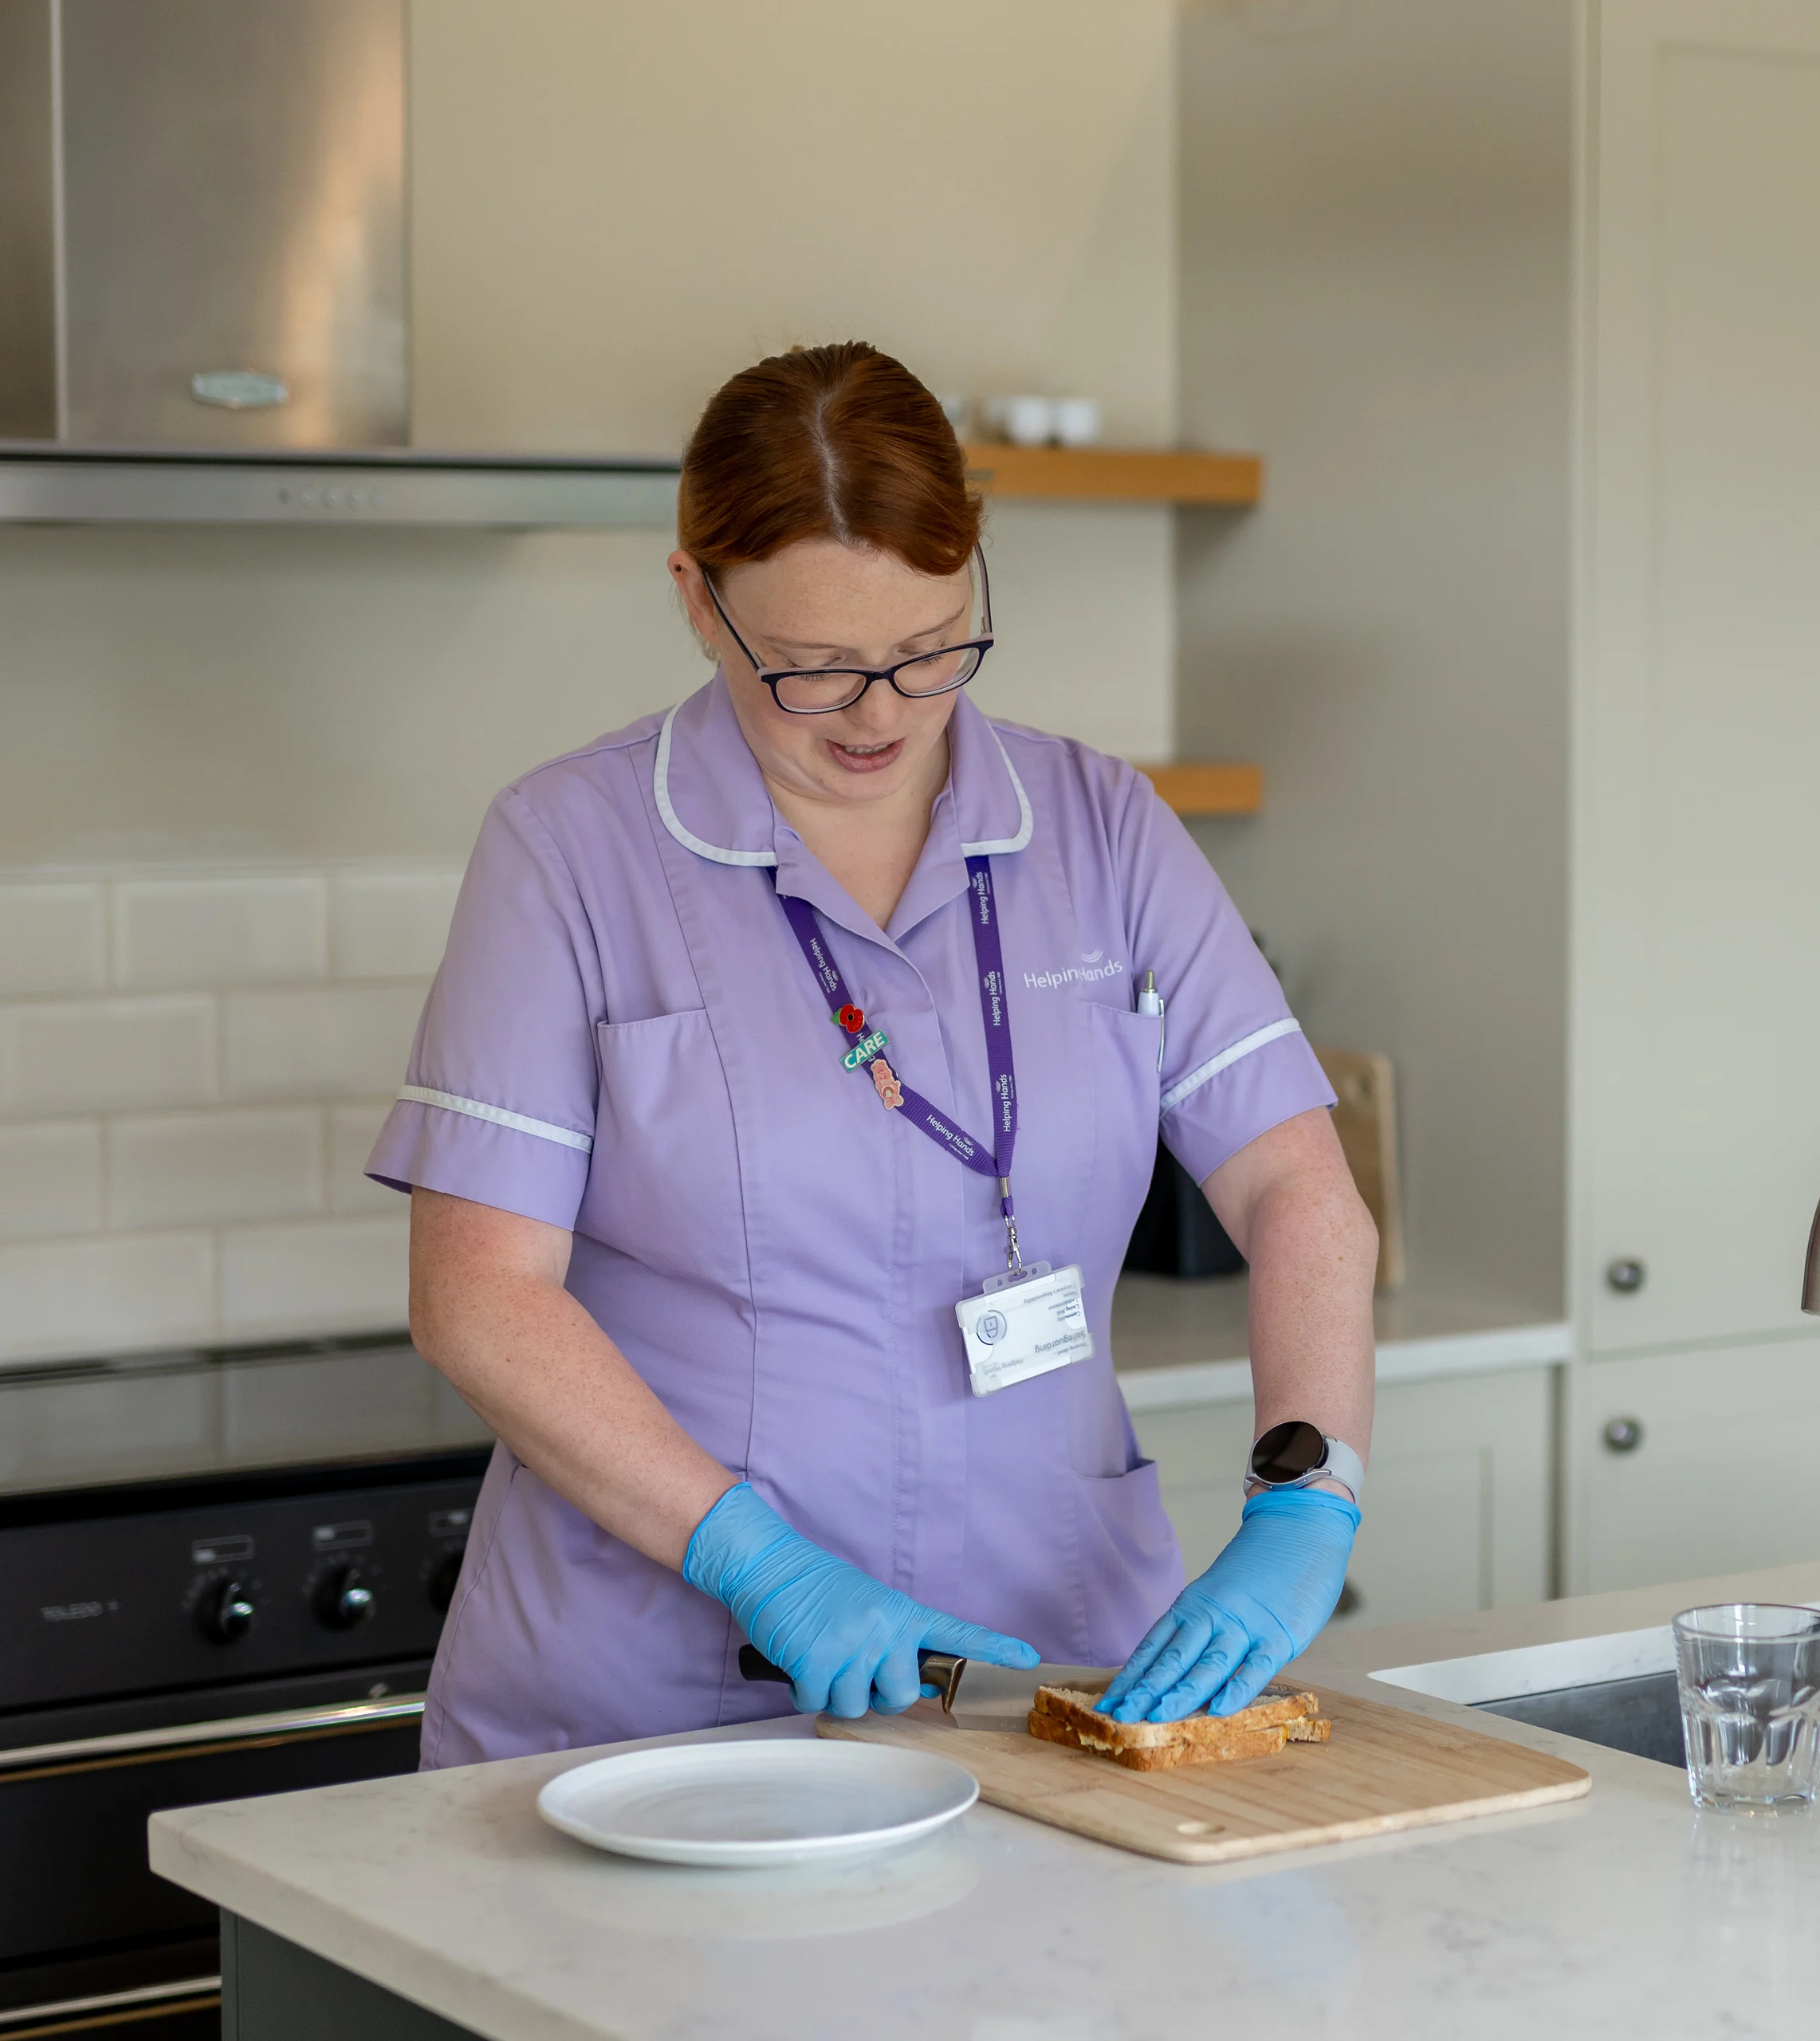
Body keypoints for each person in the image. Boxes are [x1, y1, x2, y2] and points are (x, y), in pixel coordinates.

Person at [368, 342, 1376, 1765]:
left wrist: (1308, 1493)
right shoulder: (569, 851)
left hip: (1054, 1665)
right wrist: (756, 1563)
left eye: (930, 649)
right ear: (697, 605)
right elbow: (478, 1299)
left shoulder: (1101, 826)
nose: (885, 715)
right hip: (663, 1691)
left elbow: (1296, 1187)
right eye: (818, 671)